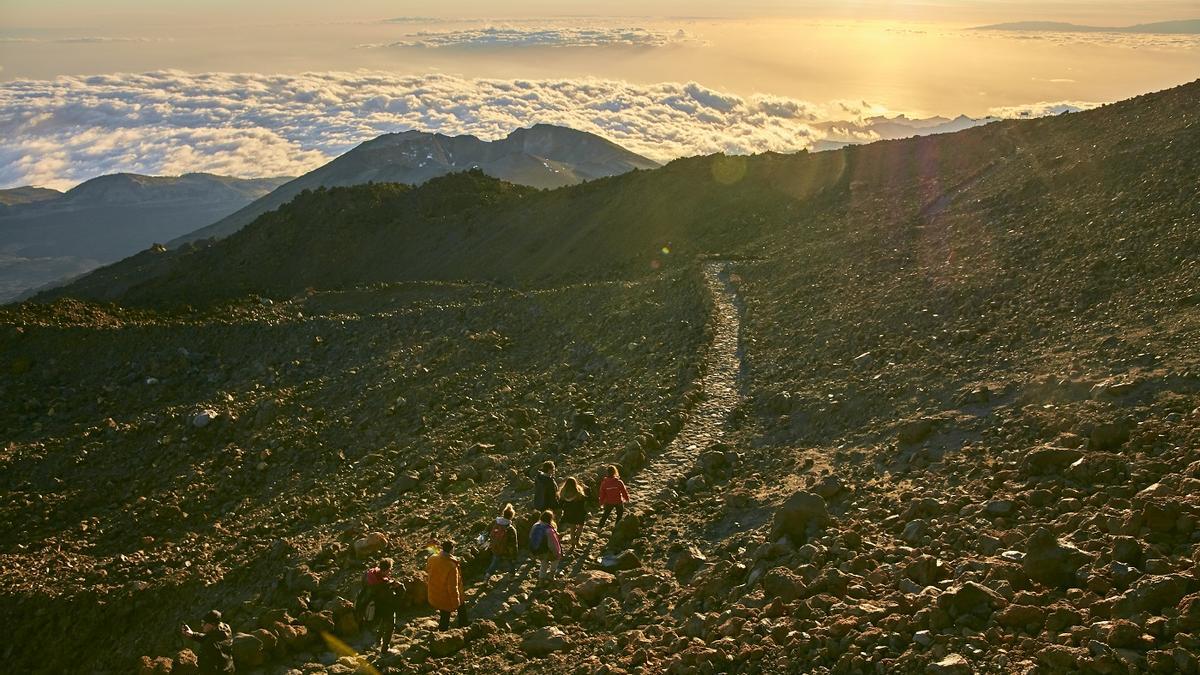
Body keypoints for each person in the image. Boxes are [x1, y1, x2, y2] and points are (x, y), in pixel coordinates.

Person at [426, 540, 468, 631]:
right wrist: (456, 602)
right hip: (445, 595)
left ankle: (461, 623)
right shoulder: (451, 566)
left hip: (435, 591)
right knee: (449, 612)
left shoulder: (433, 558)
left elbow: (428, 570)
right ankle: (445, 631)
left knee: (448, 611)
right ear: (452, 550)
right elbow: (453, 587)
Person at [180, 610, 235, 674]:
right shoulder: (224, 631)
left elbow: (206, 668)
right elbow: (208, 638)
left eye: (204, 623)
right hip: (229, 669)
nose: (202, 625)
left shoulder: (211, 644)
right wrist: (192, 634)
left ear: (212, 624)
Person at [372, 576, 407, 654]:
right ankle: (385, 649)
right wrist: (401, 587)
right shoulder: (387, 584)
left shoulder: (377, 580)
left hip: (380, 608)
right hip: (389, 610)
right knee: (389, 628)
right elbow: (397, 598)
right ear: (387, 569)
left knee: (382, 624)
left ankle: (377, 643)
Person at [355, 557, 393, 625]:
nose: (390, 571)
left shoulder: (371, 572)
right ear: (385, 570)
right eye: (389, 570)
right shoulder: (379, 583)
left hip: (364, 596)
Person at [528, 510, 563, 585]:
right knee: (555, 561)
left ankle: (541, 582)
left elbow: (531, 536)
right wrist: (557, 553)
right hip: (547, 551)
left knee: (543, 565)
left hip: (538, 551)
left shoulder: (535, 525)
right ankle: (551, 577)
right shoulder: (549, 530)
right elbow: (552, 544)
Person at [485, 503, 519, 577]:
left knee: (494, 563)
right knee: (511, 562)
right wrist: (515, 555)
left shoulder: (495, 523)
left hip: (496, 547)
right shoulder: (510, 529)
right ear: (512, 516)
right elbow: (514, 543)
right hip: (507, 550)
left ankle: (487, 576)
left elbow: (487, 532)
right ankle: (511, 575)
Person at [558, 477, 589, 553]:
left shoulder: (563, 492)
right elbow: (585, 499)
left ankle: (572, 545)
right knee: (581, 526)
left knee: (572, 527)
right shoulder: (578, 491)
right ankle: (577, 540)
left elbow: (560, 504)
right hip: (579, 512)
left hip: (569, 513)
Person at [597, 464, 631, 532]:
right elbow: (624, 491)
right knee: (619, 514)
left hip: (609, 502)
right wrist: (627, 499)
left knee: (605, 514)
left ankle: (599, 528)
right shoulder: (619, 482)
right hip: (618, 501)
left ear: (607, 473)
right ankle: (617, 527)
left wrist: (601, 502)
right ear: (615, 472)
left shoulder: (604, 483)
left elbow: (602, 494)